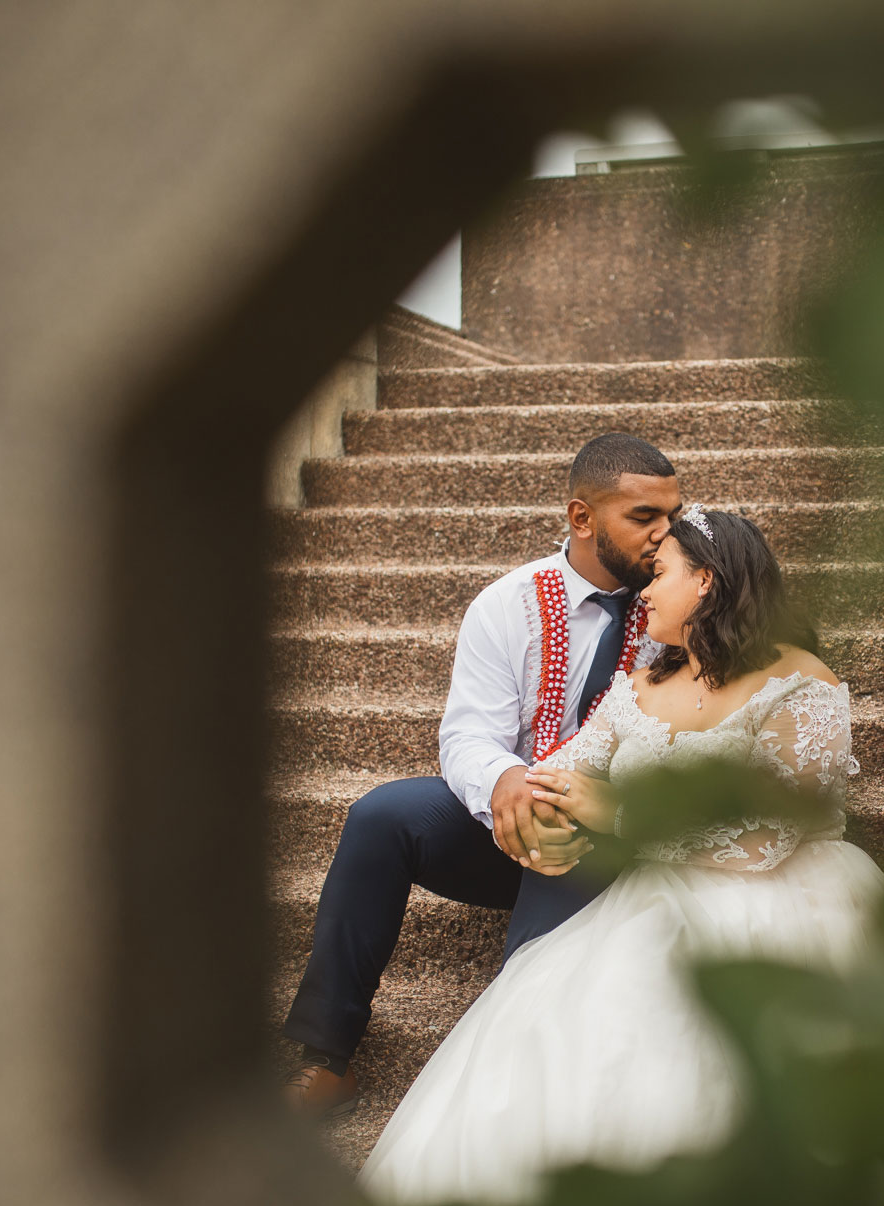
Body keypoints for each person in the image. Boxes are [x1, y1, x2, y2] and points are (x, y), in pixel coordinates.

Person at [357, 506, 884, 1206]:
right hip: (650, 890)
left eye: (659, 574)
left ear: (706, 581)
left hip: (789, 901)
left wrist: (613, 812)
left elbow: (765, 839)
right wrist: (542, 824)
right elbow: (564, 772)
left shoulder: (801, 684)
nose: (643, 593)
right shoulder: (641, 684)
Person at [281, 432, 681, 1116]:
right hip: (509, 822)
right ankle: (324, 1055)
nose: (664, 535)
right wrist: (505, 782)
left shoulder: (682, 604)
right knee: (381, 817)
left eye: (673, 515)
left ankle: (512, 1088)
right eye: (644, 517)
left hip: (619, 838)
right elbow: (467, 732)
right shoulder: (508, 603)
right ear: (582, 518)